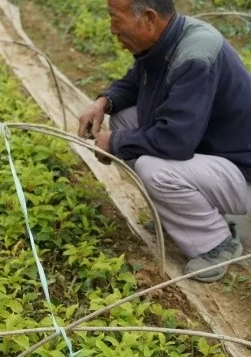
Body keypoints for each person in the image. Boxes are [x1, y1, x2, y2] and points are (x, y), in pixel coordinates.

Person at [78, 0, 251, 282]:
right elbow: (134, 83)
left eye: (115, 18)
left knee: (152, 168)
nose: (112, 29)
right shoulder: (166, 42)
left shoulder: (195, 55)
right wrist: (103, 102)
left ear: (148, 18)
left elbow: (175, 141)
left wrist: (115, 143)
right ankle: (180, 215)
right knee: (122, 118)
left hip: (242, 171)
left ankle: (217, 242)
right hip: (210, 152)